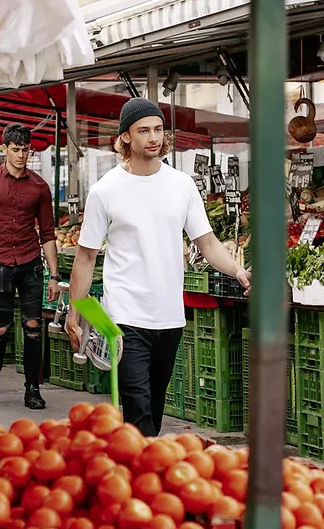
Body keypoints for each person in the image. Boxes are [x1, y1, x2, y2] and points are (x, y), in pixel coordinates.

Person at [66, 98, 248, 436]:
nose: (153, 137)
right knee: (139, 411)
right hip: (124, 316)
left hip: (169, 316)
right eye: (143, 130)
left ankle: (137, 470)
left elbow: (207, 243)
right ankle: (142, 476)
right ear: (125, 138)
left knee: (155, 405)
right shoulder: (105, 191)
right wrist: (75, 312)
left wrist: (238, 271)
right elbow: (86, 257)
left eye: (158, 129)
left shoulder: (181, 185)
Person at [0, 125, 61, 410]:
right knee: (2, 327)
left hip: (30, 262)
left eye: (25, 149)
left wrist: (54, 276)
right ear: (5, 148)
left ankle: (32, 387)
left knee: (33, 326)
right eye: (16, 149)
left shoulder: (39, 187)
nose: (22, 155)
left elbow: (47, 233)